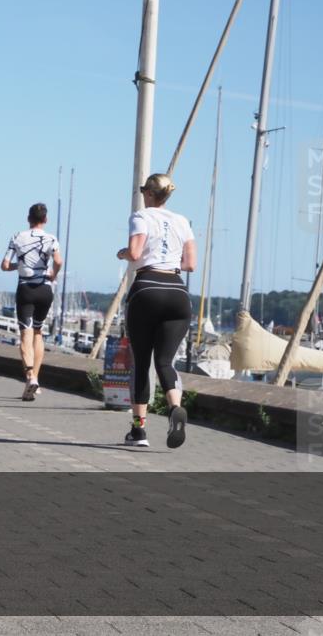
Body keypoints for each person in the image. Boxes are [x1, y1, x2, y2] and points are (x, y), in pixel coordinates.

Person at [116, 173, 197, 449]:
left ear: (149, 194)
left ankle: (139, 431)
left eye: (143, 191)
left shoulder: (141, 216)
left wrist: (123, 253)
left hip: (147, 288)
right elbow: (191, 263)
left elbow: (136, 253)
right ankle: (175, 407)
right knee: (165, 361)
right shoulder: (182, 221)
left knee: (141, 361)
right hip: (177, 291)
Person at [0, 203, 63, 401]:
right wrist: (53, 274)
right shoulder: (52, 238)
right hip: (45, 290)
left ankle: (30, 376)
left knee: (25, 334)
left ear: (29, 218)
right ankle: (36, 378)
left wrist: (20, 266)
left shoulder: (17, 237)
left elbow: (4, 265)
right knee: (38, 332)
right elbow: (59, 261)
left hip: (26, 289)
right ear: (45, 220)